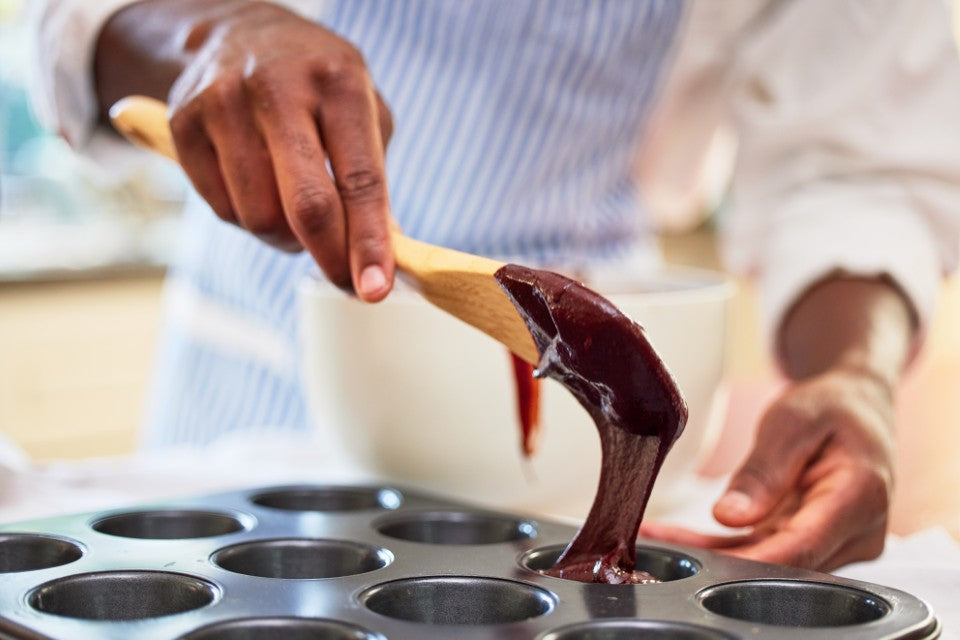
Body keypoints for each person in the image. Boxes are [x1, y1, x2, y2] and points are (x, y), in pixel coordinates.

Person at [29, 0, 960, 571]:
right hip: (267, 370)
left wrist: (854, 372)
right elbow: (75, 20)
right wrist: (207, 28)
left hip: (570, 413)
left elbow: (855, 174)